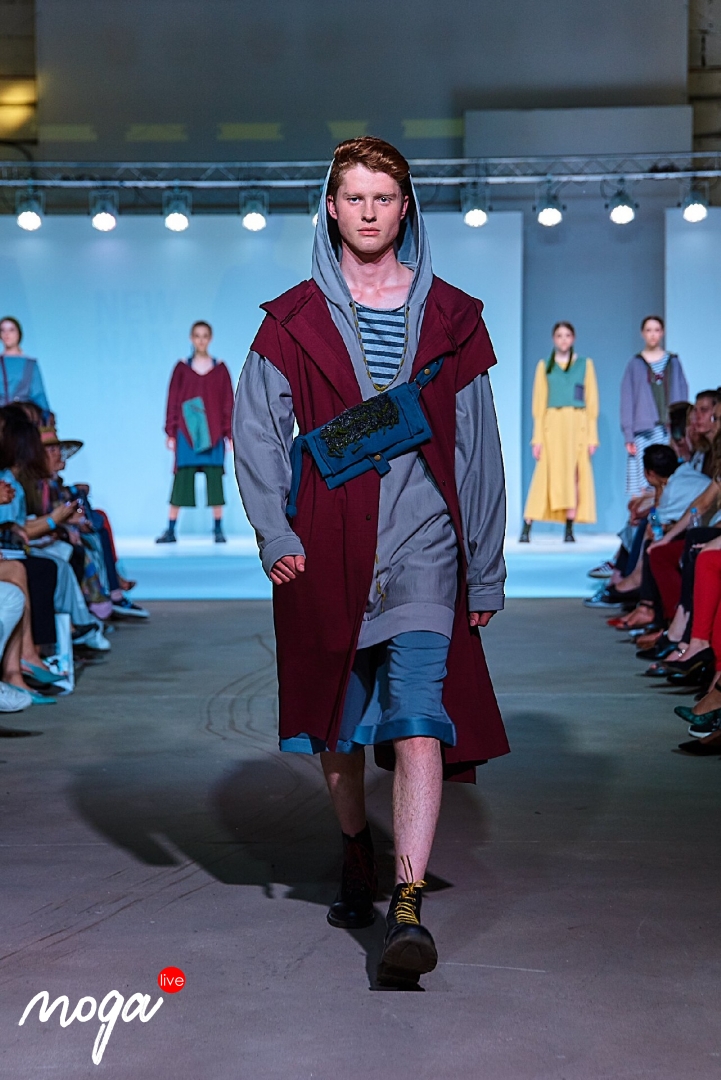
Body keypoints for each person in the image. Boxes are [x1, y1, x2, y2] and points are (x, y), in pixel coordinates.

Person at [233, 137, 509, 989]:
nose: (366, 212)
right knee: (340, 723)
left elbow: (479, 448)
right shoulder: (291, 320)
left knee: (418, 713)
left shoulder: (453, 316)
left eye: (382, 198)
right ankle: (356, 846)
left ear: (404, 208)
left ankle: (407, 904)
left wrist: (484, 565)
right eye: (352, 197)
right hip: (326, 544)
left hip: (426, 542)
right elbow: (256, 431)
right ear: (330, 207)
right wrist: (277, 535)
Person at [520, 321, 599, 543]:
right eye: (559, 335)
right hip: (552, 426)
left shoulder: (585, 365)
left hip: (577, 425)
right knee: (544, 474)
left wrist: (592, 437)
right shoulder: (545, 366)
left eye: (567, 335)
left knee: (575, 475)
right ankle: (527, 526)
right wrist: (537, 438)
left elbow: (591, 401)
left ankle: (569, 528)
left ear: (573, 338)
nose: (563, 340)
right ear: (553, 339)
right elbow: (539, 404)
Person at [156, 321, 234, 544]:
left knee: (215, 480)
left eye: (205, 335)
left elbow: (228, 402)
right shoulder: (182, 368)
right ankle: (171, 530)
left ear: (210, 338)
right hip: (187, 432)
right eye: (197, 335)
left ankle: (218, 529)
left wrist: (229, 434)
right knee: (181, 479)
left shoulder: (220, 368)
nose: (201, 340)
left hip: (214, 431)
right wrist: (171, 432)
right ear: (191, 338)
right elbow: (173, 400)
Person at [621, 316, 688, 496]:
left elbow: (682, 392)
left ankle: (664, 508)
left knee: (667, 473)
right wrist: (628, 434)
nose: (652, 334)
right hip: (643, 429)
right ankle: (646, 510)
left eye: (656, 330)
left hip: (668, 428)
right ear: (642, 333)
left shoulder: (673, 362)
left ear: (662, 333)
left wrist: (681, 427)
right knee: (643, 477)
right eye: (648, 330)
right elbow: (627, 399)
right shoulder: (635, 364)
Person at [0, 317, 50, 413]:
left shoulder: (30, 365)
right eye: (3, 330)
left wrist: (47, 417)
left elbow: (38, 395)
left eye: (11, 330)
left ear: (19, 333)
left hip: (23, 417)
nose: (6, 334)